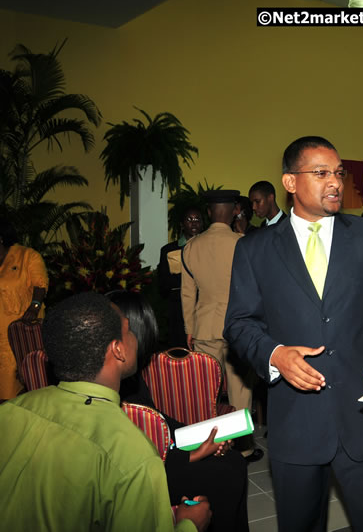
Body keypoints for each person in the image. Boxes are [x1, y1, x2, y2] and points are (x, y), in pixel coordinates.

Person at [224, 136, 363, 532]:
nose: (335, 182)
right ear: (290, 182)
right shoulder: (254, 250)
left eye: (338, 173)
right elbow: (238, 324)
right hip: (296, 420)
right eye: (321, 173)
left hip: (362, 414)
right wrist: (275, 355)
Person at [0, 292, 211, 531]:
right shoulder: (133, 456)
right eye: (128, 330)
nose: (135, 337)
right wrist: (189, 525)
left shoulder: (10, 411)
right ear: (118, 349)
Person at [108, 290, 250, 531]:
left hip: (159, 456)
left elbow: (157, 422)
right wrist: (192, 455)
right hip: (145, 472)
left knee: (233, 461)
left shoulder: (130, 373)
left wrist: (203, 437)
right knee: (226, 474)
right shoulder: (111, 378)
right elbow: (136, 447)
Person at [181, 190, 262, 462]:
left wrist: (189, 329)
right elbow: (255, 290)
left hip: (204, 326)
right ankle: (243, 448)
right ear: (232, 211)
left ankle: (211, 447)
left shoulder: (191, 247)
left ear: (209, 213)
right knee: (241, 391)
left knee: (207, 391)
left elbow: (187, 294)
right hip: (238, 326)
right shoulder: (242, 243)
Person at [0, 217, 48, 399]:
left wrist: (34, 307)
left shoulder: (27, 256)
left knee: (12, 394)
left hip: (19, 334)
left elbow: (40, 285)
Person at [158, 207, 203, 348]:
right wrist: (191, 278)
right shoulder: (168, 250)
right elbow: (164, 283)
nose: (194, 223)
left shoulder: (208, 248)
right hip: (177, 310)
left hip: (203, 308)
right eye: (189, 220)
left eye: (197, 220)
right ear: (182, 224)